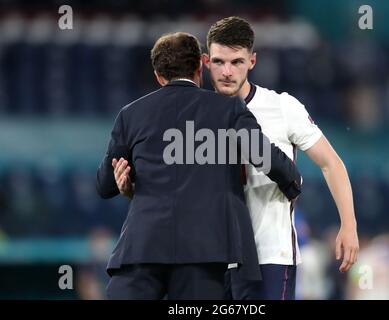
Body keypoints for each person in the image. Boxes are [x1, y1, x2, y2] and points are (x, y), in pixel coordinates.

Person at [114, 17, 359, 300]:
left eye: (237, 62)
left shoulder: (282, 107)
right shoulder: (192, 114)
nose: (227, 71)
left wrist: (349, 225)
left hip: (269, 253)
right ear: (205, 61)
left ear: (252, 62)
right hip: (209, 257)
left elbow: (331, 163)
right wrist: (133, 190)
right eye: (219, 62)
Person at [96, 32, 302, 300]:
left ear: (159, 76)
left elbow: (105, 185)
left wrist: (129, 183)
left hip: (142, 249)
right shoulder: (229, 108)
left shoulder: (131, 115)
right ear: (199, 69)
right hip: (204, 254)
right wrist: (293, 183)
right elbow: (270, 161)